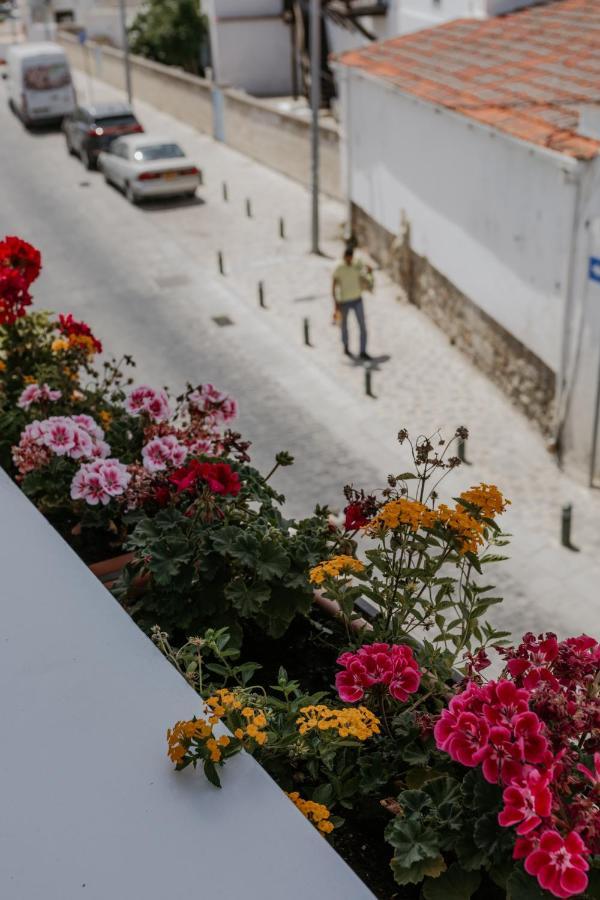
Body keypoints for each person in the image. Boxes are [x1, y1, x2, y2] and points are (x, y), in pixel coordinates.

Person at [332, 246, 373, 360]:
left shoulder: (357, 264)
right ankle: (345, 346)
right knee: (344, 325)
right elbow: (334, 285)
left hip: (357, 299)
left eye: (351, 258)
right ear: (344, 257)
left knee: (362, 326)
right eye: (347, 258)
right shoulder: (339, 268)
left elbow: (366, 273)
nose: (349, 260)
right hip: (344, 301)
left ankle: (363, 351)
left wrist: (369, 272)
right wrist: (335, 302)